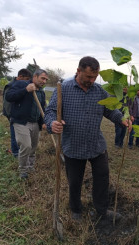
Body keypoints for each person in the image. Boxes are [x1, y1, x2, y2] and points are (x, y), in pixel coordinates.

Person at [44, 56, 131, 222]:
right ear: (78, 71)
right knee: (75, 181)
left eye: (95, 77)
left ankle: (102, 210)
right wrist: (52, 123)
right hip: (73, 145)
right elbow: (50, 111)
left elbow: (111, 110)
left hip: (95, 144)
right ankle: (76, 210)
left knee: (102, 177)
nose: (92, 80)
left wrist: (121, 119)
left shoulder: (99, 91)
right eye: (88, 77)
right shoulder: (64, 89)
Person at [5, 69, 48, 179]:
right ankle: (23, 170)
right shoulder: (21, 84)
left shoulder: (41, 92)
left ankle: (30, 167)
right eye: (42, 78)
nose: (44, 81)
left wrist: (42, 123)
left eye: (46, 79)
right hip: (21, 122)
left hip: (35, 123)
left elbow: (41, 108)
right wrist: (25, 90)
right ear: (35, 77)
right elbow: (9, 96)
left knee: (33, 147)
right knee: (26, 145)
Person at [3, 69, 32, 157]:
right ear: (20, 77)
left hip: (20, 114)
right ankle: (15, 153)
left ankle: (20, 152)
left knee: (19, 136)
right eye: (26, 79)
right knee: (14, 134)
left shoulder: (23, 85)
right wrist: (10, 115)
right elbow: (7, 102)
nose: (27, 81)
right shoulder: (11, 85)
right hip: (13, 114)